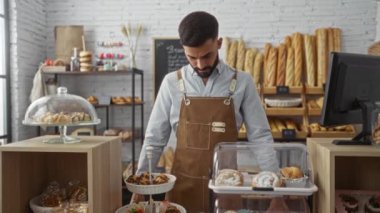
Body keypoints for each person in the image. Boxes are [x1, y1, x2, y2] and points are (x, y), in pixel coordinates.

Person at [136, 11, 279, 212]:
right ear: (183, 49)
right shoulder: (171, 83)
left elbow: (261, 137)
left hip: (227, 187)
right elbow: (154, 139)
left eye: (207, 56)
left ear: (218, 43)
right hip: (182, 188)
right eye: (192, 58)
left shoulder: (242, 82)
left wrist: (277, 191)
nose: (200, 65)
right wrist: (140, 184)